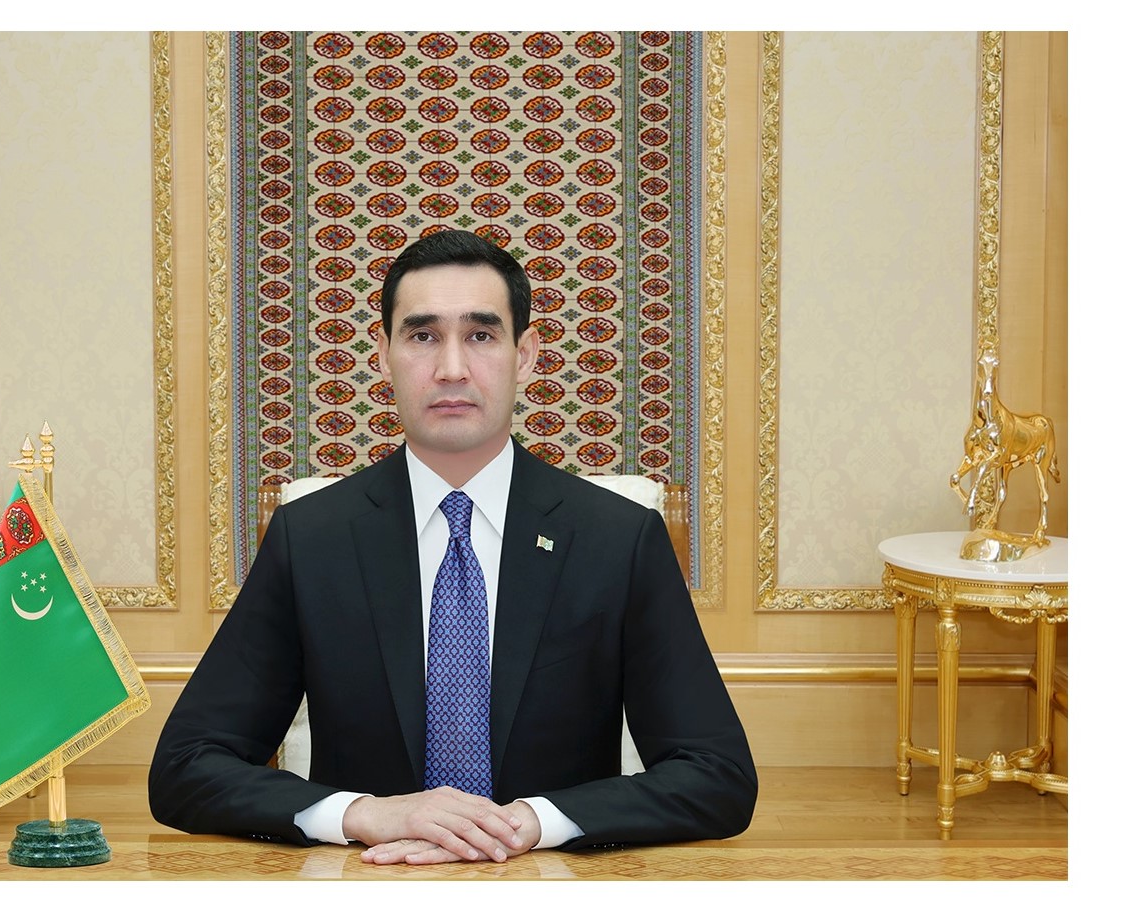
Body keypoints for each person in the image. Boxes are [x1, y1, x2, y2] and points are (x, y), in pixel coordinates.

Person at [149, 229, 757, 864]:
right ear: (383, 355)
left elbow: (717, 775)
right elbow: (186, 767)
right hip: (369, 883)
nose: (451, 369)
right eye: (422, 336)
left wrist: (533, 821)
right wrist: (362, 813)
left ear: (525, 355)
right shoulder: (311, 537)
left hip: (549, 882)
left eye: (481, 335)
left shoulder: (618, 538)